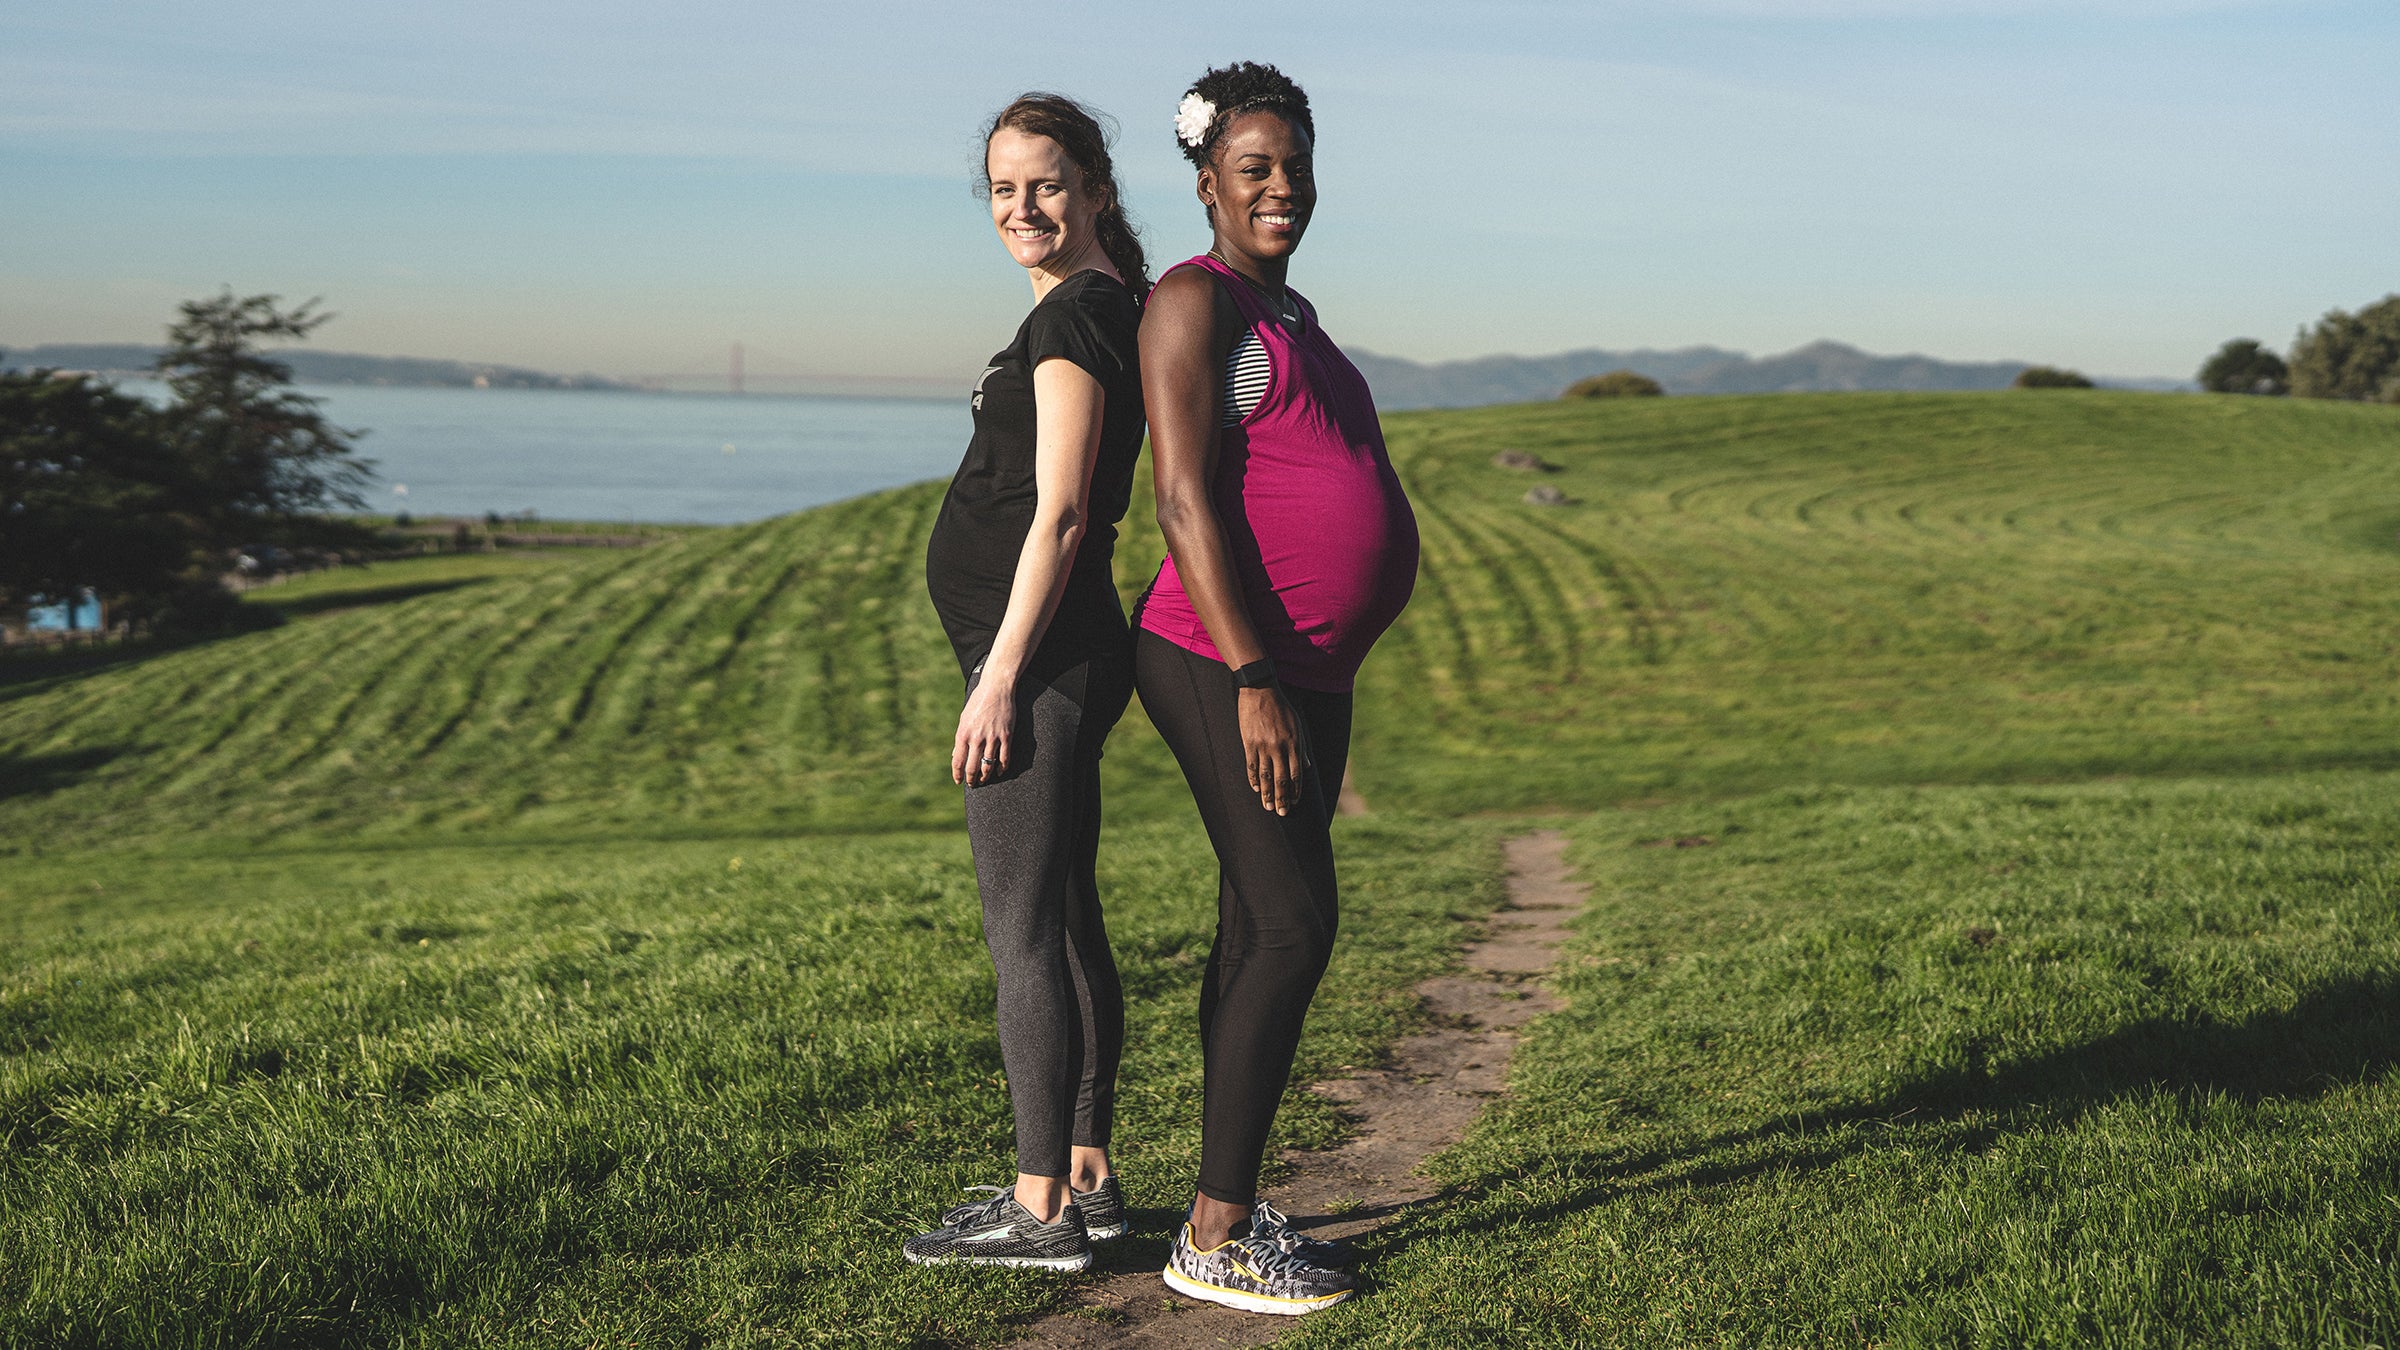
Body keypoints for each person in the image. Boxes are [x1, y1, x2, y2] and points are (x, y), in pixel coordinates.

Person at [1131, 62, 1419, 1315]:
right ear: (1208, 186)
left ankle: (1225, 1199)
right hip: (1219, 653)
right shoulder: (1193, 304)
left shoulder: (1291, 314)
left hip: (1307, 666)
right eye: (1255, 168)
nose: (1282, 186)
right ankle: (1215, 1235)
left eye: (1295, 166)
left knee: (1261, 924)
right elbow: (1184, 496)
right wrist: (1253, 673)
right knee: (1295, 923)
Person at [906, 92, 1149, 1274]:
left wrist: (998, 679)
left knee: (1021, 930)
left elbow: (1057, 516)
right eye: (1003, 188)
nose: (1022, 206)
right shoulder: (1092, 310)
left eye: (1046, 183)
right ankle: (1087, 1175)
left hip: (1040, 662)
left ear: (1096, 187)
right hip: (1061, 653)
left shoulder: (1075, 323)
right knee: (1061, 912)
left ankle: (1041, 1207)